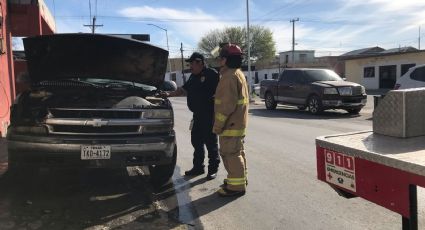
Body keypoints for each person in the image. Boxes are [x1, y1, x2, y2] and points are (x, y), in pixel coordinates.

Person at [160, 52, 220, 180]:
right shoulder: (193, 76)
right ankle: (198, 167)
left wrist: (217, 115)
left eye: (192, 63)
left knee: (211, 143)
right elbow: (182, 89)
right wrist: (168, 94)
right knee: (196, 141)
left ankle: (213, 169)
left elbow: (220, 94)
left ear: (200, 62)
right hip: (197, 115)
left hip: (210, 115)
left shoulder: (212, 74)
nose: (190, 66)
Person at [213, 43, 249, 197]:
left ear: (226, 59)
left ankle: (236, 187)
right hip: (237, 122)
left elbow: (226, 106)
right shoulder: (237, 73)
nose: (219, 61)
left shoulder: (228, 77)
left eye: (221, 58)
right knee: (237, 152)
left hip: (230, 124)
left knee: (231, 154)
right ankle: (239, 179)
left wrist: (217, 126)